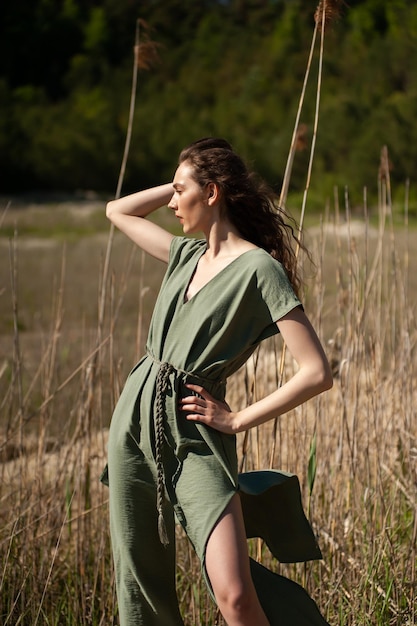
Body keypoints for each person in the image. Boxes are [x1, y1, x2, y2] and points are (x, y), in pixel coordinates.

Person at [101, 138, 333, 626]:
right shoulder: (185, 255)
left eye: (179, 191)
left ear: (211, 194)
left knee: (234, 594)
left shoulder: (258, 269)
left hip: (194, 427)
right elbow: (117, 211)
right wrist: (181, 179)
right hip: (134, 419)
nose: (170, 202)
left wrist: (237, 420)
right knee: (138, 580)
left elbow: (316, 372)